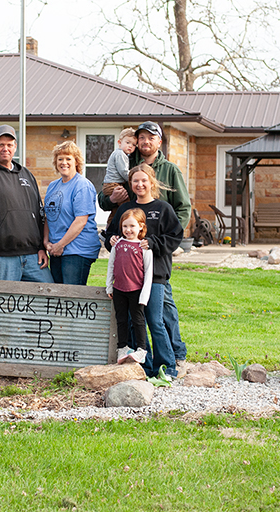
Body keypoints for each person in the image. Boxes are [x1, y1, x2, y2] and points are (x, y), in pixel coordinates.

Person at [99, 121, 190, 375]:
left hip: (155, 275)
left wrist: (156, 244)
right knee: (133, 322)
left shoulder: (163, 209)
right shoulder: (127, 208)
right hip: (128, 279)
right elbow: (113, 234)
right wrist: (111, 241)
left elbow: (175, 234)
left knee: (155, 320)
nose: (140, 185)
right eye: (135, 181)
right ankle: (146, 366)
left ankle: (169, 366)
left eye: (144, 181)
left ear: (152, 182)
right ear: (131, 183)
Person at [0, 124, 53, 282]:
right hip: (0, 258)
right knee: (2, 306)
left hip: (33, 258)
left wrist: (41, 247)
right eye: (1, 144)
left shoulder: (26, 174)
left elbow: (38, 213)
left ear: (15, 147)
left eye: (9, 145)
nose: (5, 148)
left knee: (47, 300)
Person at [43, 141, 101, 285]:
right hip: (57, 249)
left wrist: (60, 245)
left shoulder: (82, 185)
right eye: (60, 159)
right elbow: (49, 216)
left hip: (77, 250)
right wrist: (46, 242)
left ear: (76, 162)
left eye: (68, 158)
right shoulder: (52, 186)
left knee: (72, 298)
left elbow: (81, 220)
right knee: (58, 296)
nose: (64, 162)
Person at [106, 208, 153, 365]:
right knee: (121, 319)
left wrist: (144, 295)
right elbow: (111, 265)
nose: (128, 230)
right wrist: (109, 286)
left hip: (136, 290)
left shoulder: (144, 247)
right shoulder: (117, 244)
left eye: (132, 226)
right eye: (125, 226)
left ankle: (141, 350)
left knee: (138, 320)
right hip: (119, 289)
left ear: (141, 226)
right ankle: (123, 348)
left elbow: (148, 273)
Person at [101, 127, 137, 227]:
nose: (130, 146)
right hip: (112, 185)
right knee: (127, 206)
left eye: (134, 145)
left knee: (116, 209)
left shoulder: (124, 155)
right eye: (128, 142)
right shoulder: (120, 154)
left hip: (113, 183)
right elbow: (124, 172)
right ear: (119, 142)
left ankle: (108, 228)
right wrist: (134, 178)